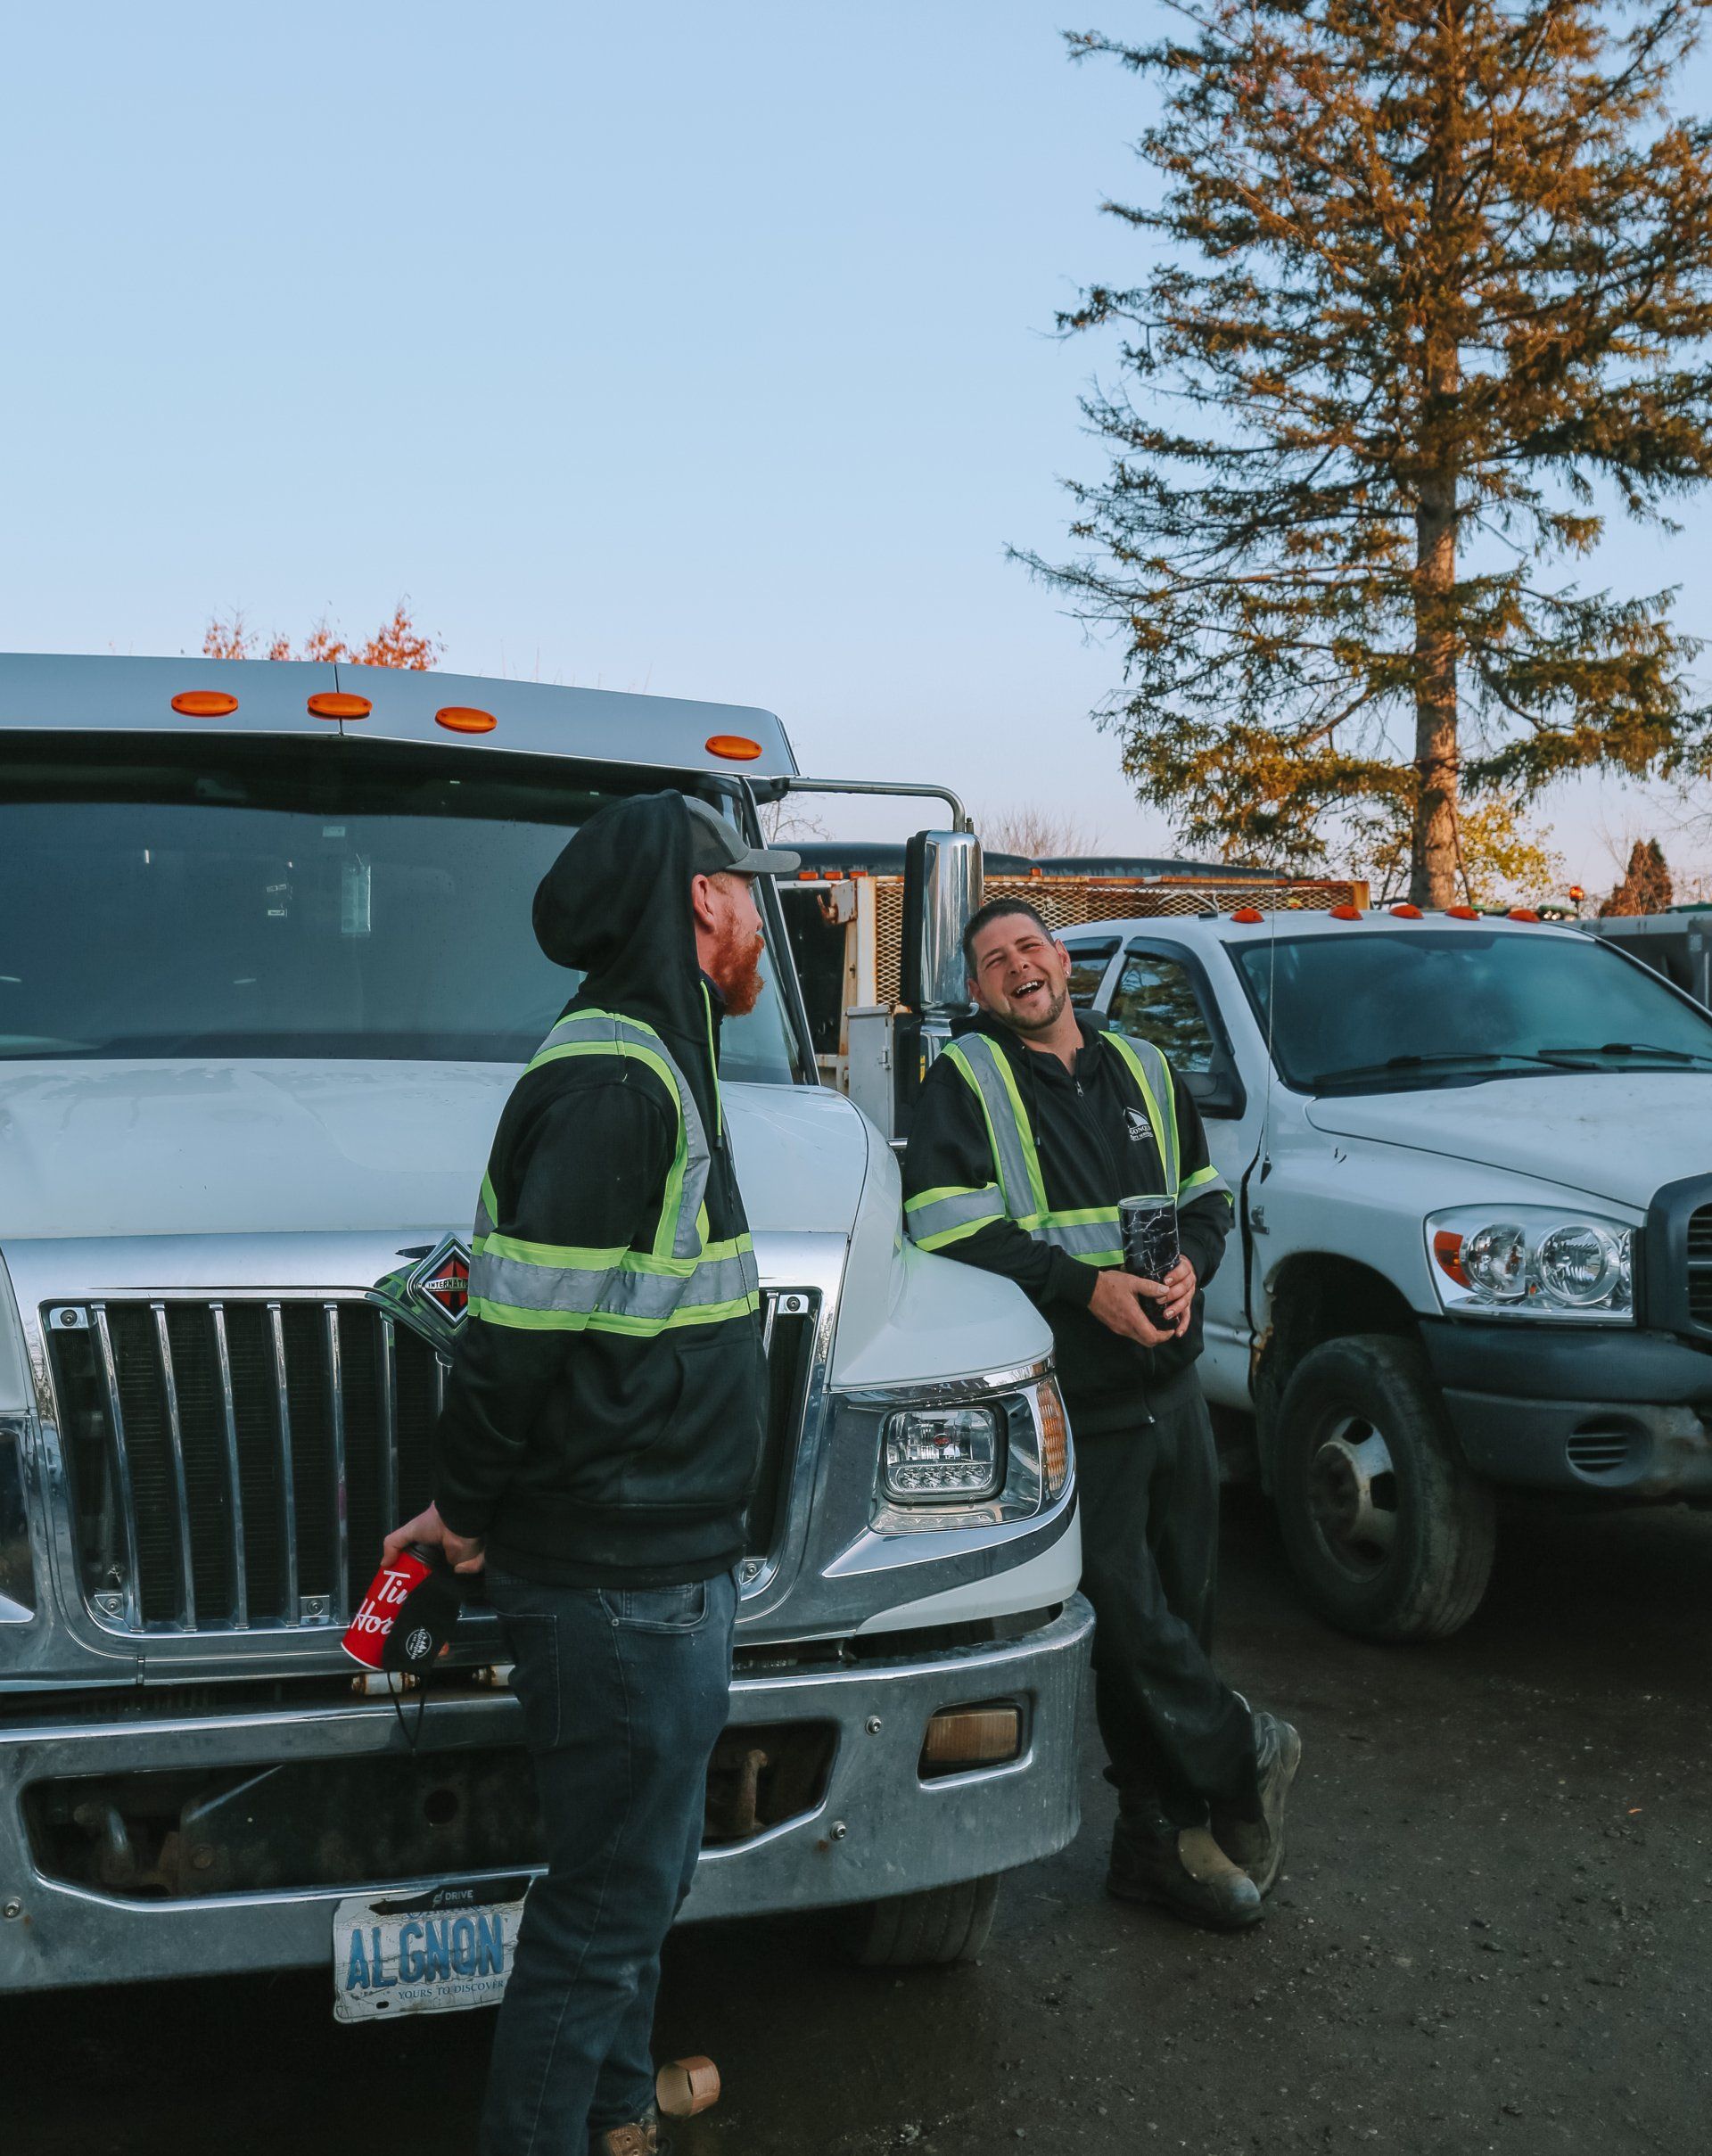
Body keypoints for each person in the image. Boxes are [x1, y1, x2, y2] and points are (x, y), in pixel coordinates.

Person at [384, 791, 797, 2156]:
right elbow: (515, 1350)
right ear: (699, 905)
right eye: (749, 890)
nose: (762, 915)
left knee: (637, 1870)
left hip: (655, 1562)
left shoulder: (659, 1065)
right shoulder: (619, 1084)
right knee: (605, 1901)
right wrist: (468, 1510)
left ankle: (617, 2105)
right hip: (621, 1585)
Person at [901, 897, 1300, 1931]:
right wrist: (1086, 1290)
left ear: (1062, 958)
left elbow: (1207, 1200)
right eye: (993, 961)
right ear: (978, 990)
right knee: (1123, 1620)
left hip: (1170, 1390)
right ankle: (1242, 1749)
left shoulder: (1146, 1068)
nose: (1017, 968)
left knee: (1183, 1612)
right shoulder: (964, 1082)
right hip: (1072, 1400)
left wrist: (1188, 1269)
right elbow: (941, 1224)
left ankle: (1155, 1846)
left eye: (1030, 947)